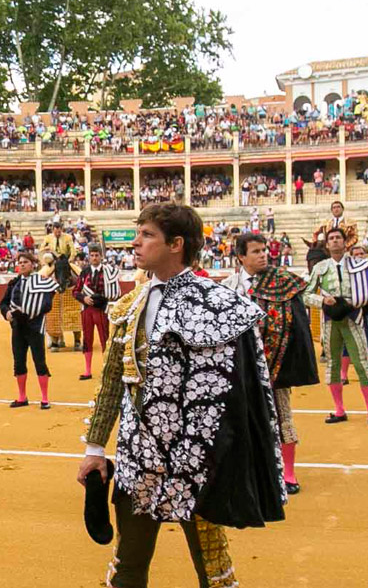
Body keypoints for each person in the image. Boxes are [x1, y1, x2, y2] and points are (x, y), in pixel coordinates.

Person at [77, 202, 285, 588]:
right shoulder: (129, 305)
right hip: (139, 454)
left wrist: (226, 455)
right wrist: (93, 449)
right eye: (137, 233)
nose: (135, 243)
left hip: (198, 460)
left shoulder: (217, 304)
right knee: (128, 565)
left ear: (176, 244)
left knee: (213, 568)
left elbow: (235, 395)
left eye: (146, 235)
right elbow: (111, 384)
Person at [234, 233, 319, 495]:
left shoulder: (282, 280)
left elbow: (306, 298)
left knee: (282, 416)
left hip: (275, 363)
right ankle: (251, 471)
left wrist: (327, 301)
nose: (263, 255)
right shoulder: (229, 286)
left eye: (264, 250)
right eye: (256, 251)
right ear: (241, 257)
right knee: (243, 419)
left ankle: (288, 473)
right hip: (240, 365)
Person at [304, 227, 368, 428]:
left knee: (361, 363)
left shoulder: (358, 264)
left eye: (338, 238)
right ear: (327, 244)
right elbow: (306, 294)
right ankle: (339, 410)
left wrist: (355, 303)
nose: (335, 241)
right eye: (331, 238)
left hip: (353, 318)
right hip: (331, 321)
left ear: (345, 241)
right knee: (333, 365)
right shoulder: (320, 267)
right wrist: (323, 300)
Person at [0, 251, 58, 409]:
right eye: (20, 262)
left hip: (34, 326)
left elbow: (47, 304)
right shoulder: (13, 283)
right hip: (18, 327)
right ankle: (22, 397)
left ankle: (45, 398)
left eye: (26, 262)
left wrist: (31, 312)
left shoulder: (42, 282)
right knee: (19, 362)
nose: (22, 265)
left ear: (33, 265)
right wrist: (7, 313)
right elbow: (3, 303)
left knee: (39, 361)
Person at [71, 248, 118, 381]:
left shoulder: (108, 272)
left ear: (101, 256)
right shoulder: (84, 272)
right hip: (86, 309)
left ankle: (106, 369)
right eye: (92, 255)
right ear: (89, 257)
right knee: (87, 338)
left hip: (101, 309)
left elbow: (113, 292)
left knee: (105, 337)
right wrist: (84, 298)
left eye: (96, 255)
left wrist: (100, 299)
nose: (94, 257)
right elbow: (75, 291)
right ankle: (87, 370)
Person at [43, 223, 80, 351]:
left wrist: (69, 260)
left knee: (80, 274)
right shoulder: (48, 238)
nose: (57, 232)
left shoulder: (68, 237)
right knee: (42, 276)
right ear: (53, 230)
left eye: (59, 230)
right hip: (53, 262)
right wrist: (47, 258)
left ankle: (77, 340)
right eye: (55, 230)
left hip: (66, 262)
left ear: (61, 230)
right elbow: (41, 250)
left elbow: (73, 251)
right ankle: (55, 339)